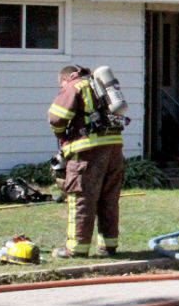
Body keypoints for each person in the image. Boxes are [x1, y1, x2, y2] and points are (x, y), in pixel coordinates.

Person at [48, 65, 125, 258]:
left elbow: (56, 118)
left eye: (61, 85)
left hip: (87, 152)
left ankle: (76, 249)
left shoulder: (75, 86)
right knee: (109, 198)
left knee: (81, 198)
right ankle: (108, 247)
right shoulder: (100, 84)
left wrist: (62, 137)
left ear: (66, 78)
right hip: (114, 149)